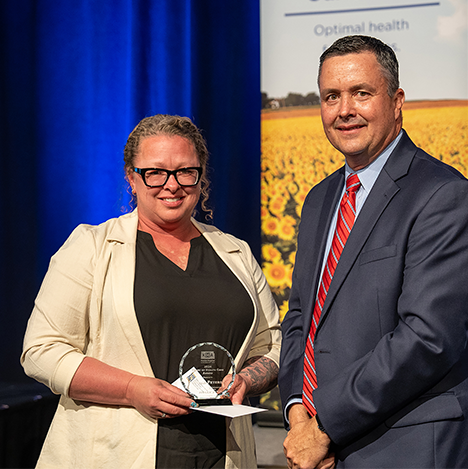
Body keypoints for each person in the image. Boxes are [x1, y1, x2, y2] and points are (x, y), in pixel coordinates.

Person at [278, 35, 468, 468]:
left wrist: (324, 427)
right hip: (324, 446)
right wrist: (298, 409)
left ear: (396, 101)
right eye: (331, 96)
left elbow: (428, 338)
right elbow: (302, 315)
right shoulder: (320, 199)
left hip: (410, 448)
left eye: (361, 93)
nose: (344, 110)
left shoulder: (443, 195)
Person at [21, 114, 281, 469]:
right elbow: (41, 350)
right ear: (132, 177)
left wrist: (246, 381)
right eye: (155, 172)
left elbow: (273, 346)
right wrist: (132, 389)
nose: (171, 185)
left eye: (185, 171)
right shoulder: (92, 247)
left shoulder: (235, 253)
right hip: (114, 453)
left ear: (201, 175)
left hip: (221, 454)